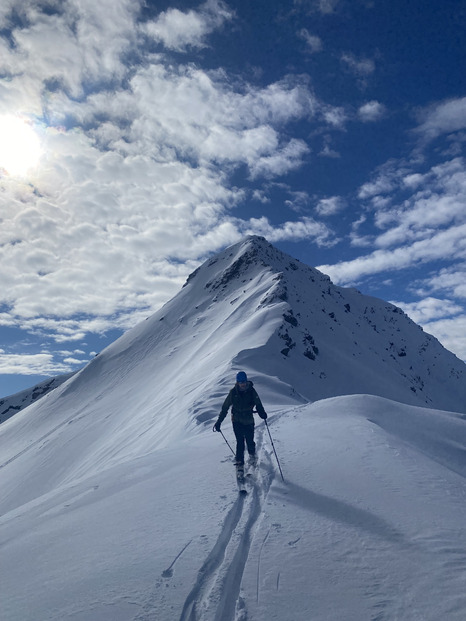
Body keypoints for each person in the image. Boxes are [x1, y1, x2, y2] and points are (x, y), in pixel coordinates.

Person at [214, 371, 267, 466]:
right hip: (236, 420)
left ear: (246, 381)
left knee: (250, 440)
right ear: (237, 382)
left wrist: (262, 413)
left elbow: (258, 403)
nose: (243, 384)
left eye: (244, 381)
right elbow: (225, 407)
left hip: (249, 420)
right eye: (241, 382)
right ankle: (239, 462)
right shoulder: (233, 392)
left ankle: (252, 456)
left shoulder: (251, 391)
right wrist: (219, 422)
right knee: (240, 442)